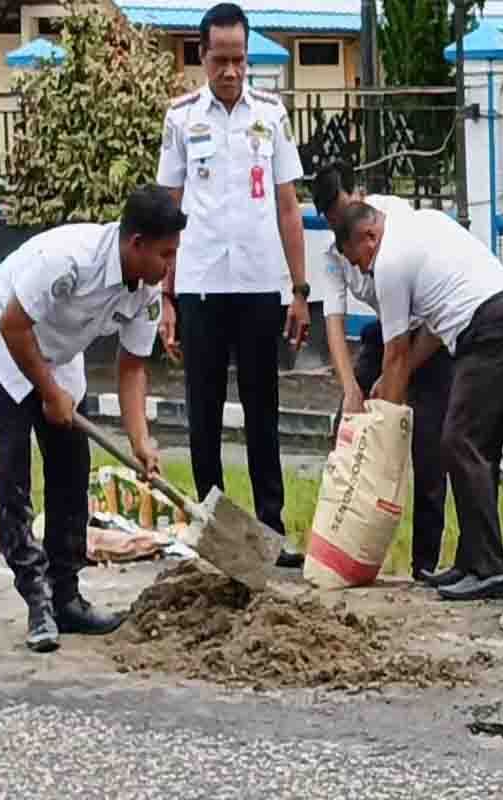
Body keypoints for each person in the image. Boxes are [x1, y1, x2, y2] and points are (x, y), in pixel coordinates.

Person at [0, 184, 186, 653]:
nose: (169, 267)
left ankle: (66, 597)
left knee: (71, 473)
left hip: (59, 354)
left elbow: (132, 367)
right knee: (14, 480)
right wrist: (48, 393)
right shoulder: (68, 259)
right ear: (136, 244)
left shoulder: (145, 291)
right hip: (2, 346)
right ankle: (37, 601)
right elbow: (13, 324)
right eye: (165, 254)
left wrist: (140, 439)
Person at [155, 2, 310, 568]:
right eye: (220, 60)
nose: (230, 71)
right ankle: (210, 528)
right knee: (202, 412)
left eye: (239, 60)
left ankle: (272, 529)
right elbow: (168, 212)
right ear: (202, 57)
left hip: (257, 284)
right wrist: (165, 298)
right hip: (198, 285)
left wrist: (299, 288)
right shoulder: (180, 119)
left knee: (263, 410)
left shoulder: (270, 116)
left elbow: (288, 207)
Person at [333, 201, 503, 601]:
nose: (362, 273)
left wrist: (386, 425)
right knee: (480, 449)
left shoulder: (389, 262)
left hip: (489, 332)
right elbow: (433, 332)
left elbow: (396, 353)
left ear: (370, 237)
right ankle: (473, 561)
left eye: (359, 261)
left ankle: (490, 571)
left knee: (458, 443)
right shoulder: (423, 223)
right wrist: (394, 379)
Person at [310, 163, 453, 582]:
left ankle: (425, 566)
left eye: (342, 211)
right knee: (348, 427)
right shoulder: (334, 254)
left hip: (427, 337)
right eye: (330, 220)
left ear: (357, 194)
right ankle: (338, 544)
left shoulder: (394, 221)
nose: (339, 225)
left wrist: (393, 388)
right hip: (385, 341)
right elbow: (333, 322)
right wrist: (351, 388)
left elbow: (420, 324)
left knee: (428, 447)